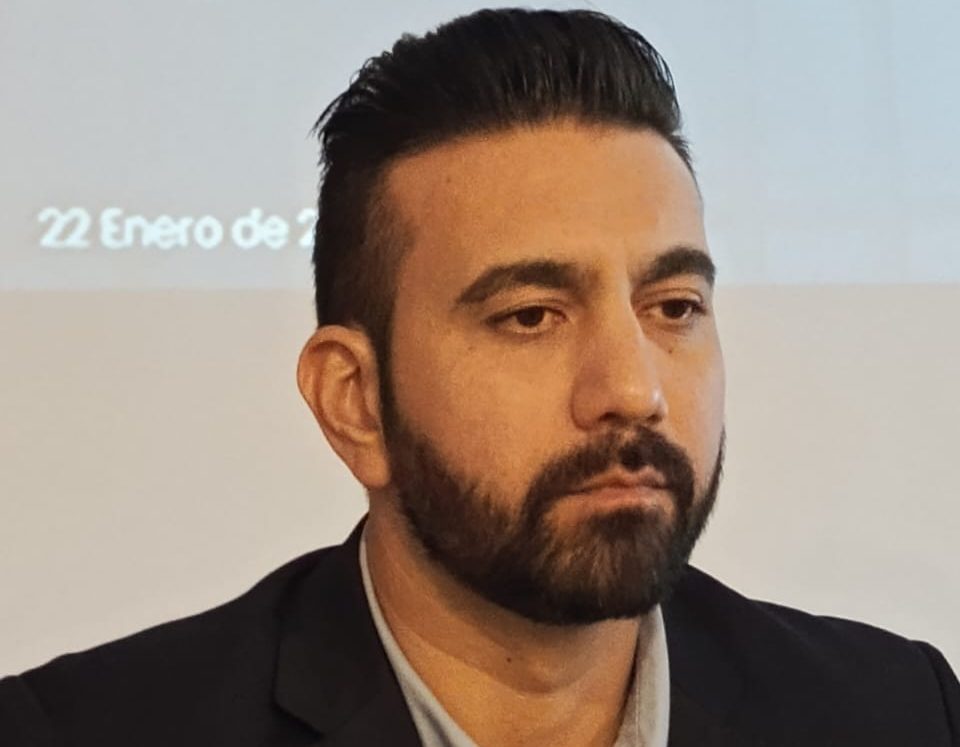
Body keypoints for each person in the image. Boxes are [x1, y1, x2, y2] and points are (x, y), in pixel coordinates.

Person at [1, 8, 957, 746]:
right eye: (531, 316)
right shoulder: (82, 730)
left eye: (673, 307)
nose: (634, 390)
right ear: (355, 401)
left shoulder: (895, 713)